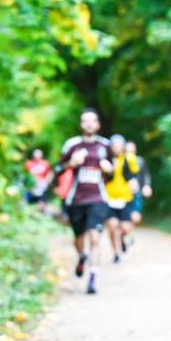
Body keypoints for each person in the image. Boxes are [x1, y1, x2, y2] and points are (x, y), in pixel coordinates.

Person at [59, 109, 113, 295]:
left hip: (98, 198)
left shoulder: (105, 146)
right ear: (81, 124)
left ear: (97, 124)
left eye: (92, 121)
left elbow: (113, 175)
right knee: (79, 238)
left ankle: (93, 278)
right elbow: (58, 169)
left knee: (95, 237)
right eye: (85, 121)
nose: (89, 124)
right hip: (76, 199)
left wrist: (109, 170)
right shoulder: (72, 145)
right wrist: (71, 164)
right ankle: (82, 257)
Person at [104, 134, 138, 262]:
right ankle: (116, 253)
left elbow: (135, 174)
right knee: (112, 226)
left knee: (125, 227)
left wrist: (135, 183)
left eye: (119, 145)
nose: (117, 148)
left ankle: (123, 240)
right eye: (114, 145)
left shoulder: (129, 159)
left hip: (125, 198)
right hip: (109, 198)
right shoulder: (105, 160)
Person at [126, 140, 152, 230]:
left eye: (132, 150)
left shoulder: (140, 161)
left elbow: (145, 175)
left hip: (136, 193)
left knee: (136, 217)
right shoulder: (120, 161)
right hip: (123, 194)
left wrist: (147, 185)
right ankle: (124, 234)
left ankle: (128, 233)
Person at [23, 148, 54, 213]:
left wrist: (48, 181)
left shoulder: (45, 164)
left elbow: (50, 172)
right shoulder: (29, 163)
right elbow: (25, 173)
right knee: (25, 202)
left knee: (41, 205)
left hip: (42, 185)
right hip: (31, 186)